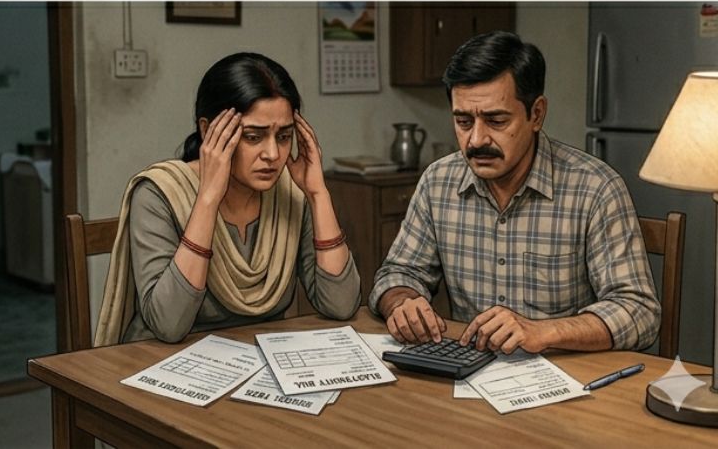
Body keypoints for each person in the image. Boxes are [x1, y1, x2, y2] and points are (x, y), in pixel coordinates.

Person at [370, 31, 660, 354]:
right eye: (464, 121)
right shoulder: (437, 182)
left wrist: (544, 332)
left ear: (536, 114)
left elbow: (640, 312)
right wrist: (402, 302)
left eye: (495, 120)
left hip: (569, 383)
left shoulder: (595, 188)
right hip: (470, 377)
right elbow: (397, 273)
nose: (476, 139)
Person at [95, 53, 359, 345]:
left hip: (259, 362)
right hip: (165, 362)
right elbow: (169, 325)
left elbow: (341, 305)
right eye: (253, 137)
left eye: (283, 137)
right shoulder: (159, 193)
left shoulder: (290, 193)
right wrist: (208, 199)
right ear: (209, 131)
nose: (272, 154)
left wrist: (318, 194)